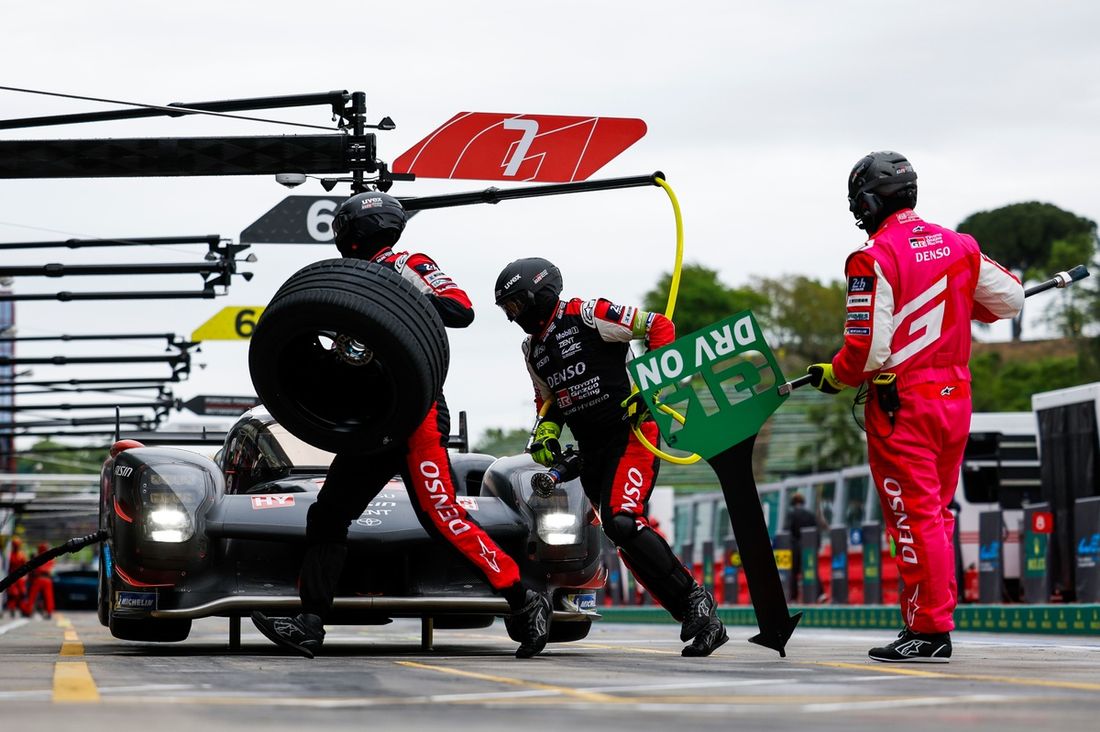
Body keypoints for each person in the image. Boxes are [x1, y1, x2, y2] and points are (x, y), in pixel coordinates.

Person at [253, 191, 550, 659]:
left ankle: (523, 598)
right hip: (371, 421)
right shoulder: (341, 287)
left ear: (354, 228)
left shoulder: (408, 262)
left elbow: (460, 308)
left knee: (441, 516)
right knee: (328, 514)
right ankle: (309, 623)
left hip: (416, 414)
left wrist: (395, 299)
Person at [806, 151, 1024, 662]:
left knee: (914, 519)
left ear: (866, 203)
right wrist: (962, 302)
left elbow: (866, 351)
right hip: (956, 397)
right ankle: (931, 622)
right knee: (936, 516)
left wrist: (835, 374)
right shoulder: (960, 245)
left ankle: (928, 630)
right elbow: (1012, 299)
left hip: (903, 405)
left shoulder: (872, 257)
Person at [494, 257, 728, 657]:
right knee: (622, 537)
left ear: (540, 292)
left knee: (622, 521)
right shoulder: (532, 350)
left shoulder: (590, 314)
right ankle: (701, 619)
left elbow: (659, 326)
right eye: (507, 309)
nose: (514, 316)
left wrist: (653, 389)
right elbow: (547, 400)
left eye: (517, 304)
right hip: (591, 450)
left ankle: (696, 601)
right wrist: (546, 432)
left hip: (632, 434)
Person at [786, 493, 821, 602]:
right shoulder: (810, 514)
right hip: (809, 546)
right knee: (811, 569)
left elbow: (787, 530)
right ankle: (819, 593)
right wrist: (817, 546)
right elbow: (817, 531)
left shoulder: (791, 514)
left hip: (796, 547)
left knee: (794, 572)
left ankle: (793, 597)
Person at [21, 542, 55, 619]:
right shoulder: (50, 558)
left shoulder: (37, 558)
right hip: (47, 579)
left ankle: (28, 611)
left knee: (32, 596)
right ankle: (49, 612)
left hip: (38, 578)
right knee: (48, 597)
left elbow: (32, 570)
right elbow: (51, 570)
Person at [4, 536, 28, 617]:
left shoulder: (22, 555)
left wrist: (25, 576)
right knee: (13, 594)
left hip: (20, 577)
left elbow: (26, 565)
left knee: (22, 594)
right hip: (12, 577)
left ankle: (23, 609)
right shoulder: (9, 555)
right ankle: (12, 609)